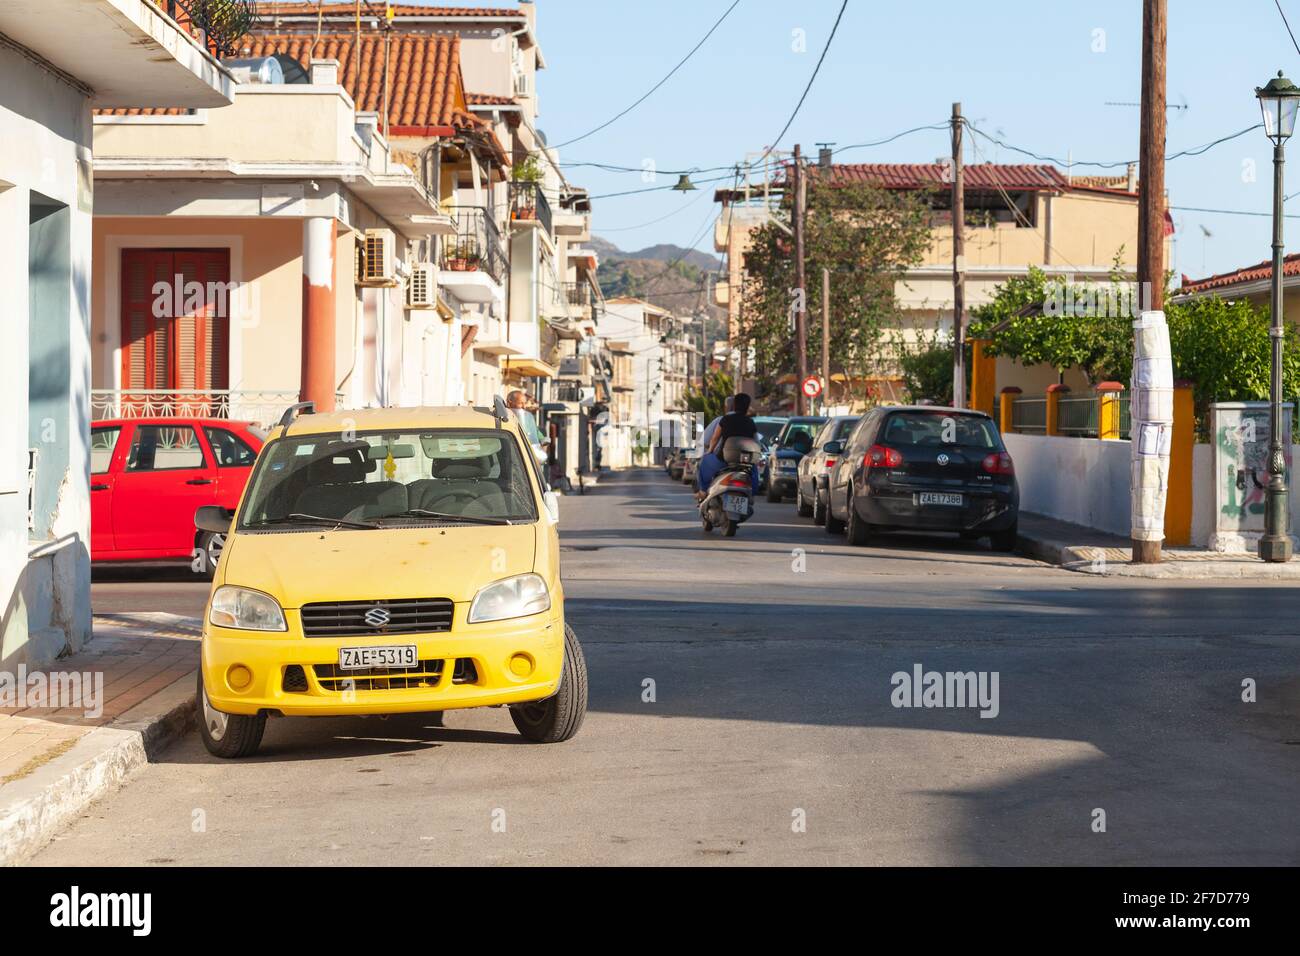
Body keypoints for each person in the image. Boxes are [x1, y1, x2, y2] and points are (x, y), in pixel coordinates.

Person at [697, 393, 759, 495]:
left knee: (704, 461)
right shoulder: (750, 422)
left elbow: (715, 438)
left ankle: (703, 491)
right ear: (747, 407)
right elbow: (756, 443)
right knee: (754, 471)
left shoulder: (725, 419)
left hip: (723, 460)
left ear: (734, 405)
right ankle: (752, 493)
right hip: (744, 463)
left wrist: (710, 451)